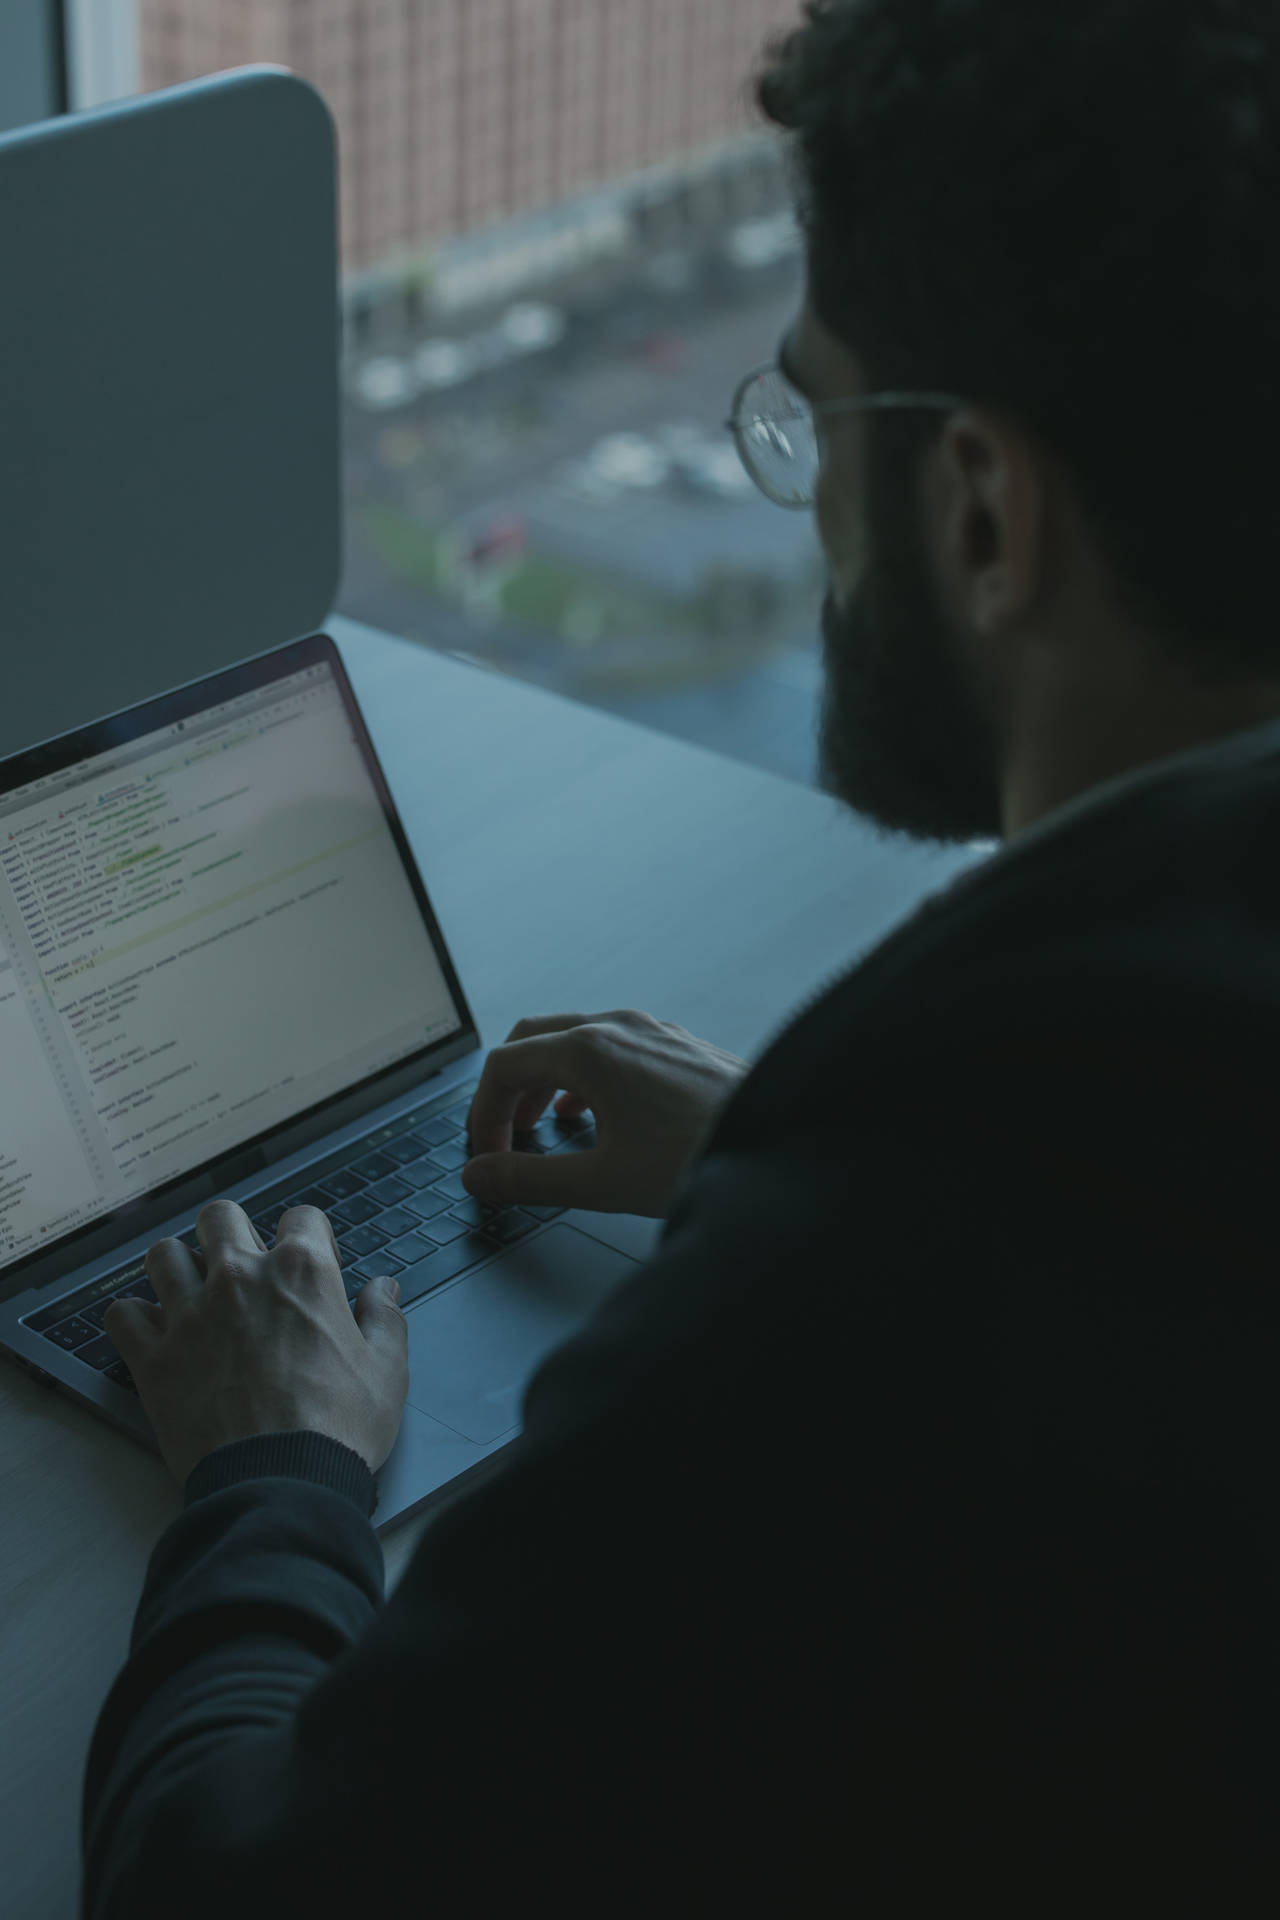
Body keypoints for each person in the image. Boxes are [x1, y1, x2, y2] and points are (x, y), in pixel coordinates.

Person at [82, 3, 1280, 1912]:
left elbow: (227, 1889)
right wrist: (775, 1155)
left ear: (982, 508)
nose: (801, 496)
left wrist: (272, 1477)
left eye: (818, 416)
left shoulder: (880, 1297)